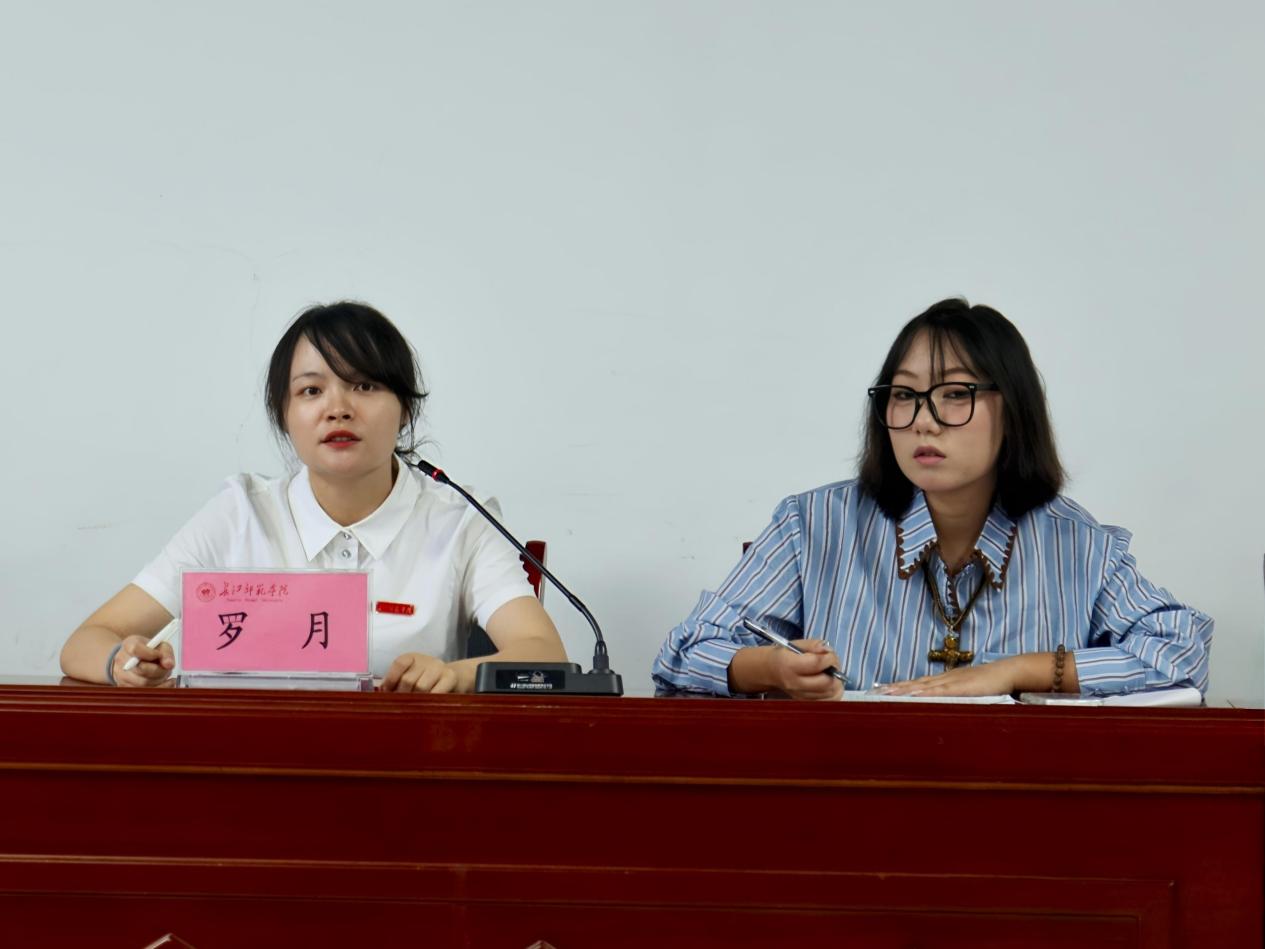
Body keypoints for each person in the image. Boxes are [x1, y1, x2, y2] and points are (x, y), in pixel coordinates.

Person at [653, 298, 1212, 700]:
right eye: (905, 394)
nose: (924, 420)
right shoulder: (813, 525)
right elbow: (684, 652)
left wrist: (1016, 671)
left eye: (955, 394)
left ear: (1014, 409)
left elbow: (1181, 650)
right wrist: (771, 668)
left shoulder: (1077, 544)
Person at [61, 301, 567, 690]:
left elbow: (543, 652)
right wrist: (120, 662)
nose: (338, 408)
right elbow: (86, 641)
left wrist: (453, 676)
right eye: (311, 390)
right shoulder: (240, 513)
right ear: (284, 415)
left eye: (364, 386)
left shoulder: (459, 519)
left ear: (406, 409)